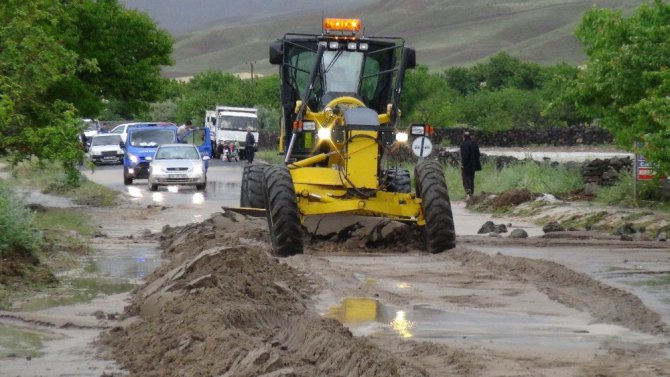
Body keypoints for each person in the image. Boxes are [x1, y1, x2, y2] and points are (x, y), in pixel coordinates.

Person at [460, 130, 481, 200]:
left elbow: (465, 156)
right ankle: (471, 194)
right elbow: (478, 154)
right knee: (472, 179)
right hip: (473, 165)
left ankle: (468, 194)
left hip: (466, 166)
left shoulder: (464, 144)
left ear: (463, 137)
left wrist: (463, 164)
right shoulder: (474, 143)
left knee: (466, 180)